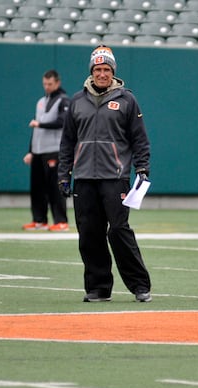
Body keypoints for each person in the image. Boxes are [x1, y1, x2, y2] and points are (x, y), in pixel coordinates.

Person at [58, 45, 152, 303]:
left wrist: (142, 169)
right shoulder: (77, 101)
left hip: (116, 176)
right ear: (92, 71)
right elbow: (67, 141)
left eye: (106, 69)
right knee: (89, 232)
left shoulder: (127, 100)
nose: (102, 74)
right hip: (85, 177)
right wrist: (64, 174)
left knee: (119, 230)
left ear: (113, 72)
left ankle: (140, 286)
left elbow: (139, 139)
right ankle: (99, 288)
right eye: (98, 69)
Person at [22, 69, 71, 232]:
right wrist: (31, 150)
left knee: (54, 187)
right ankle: (39, 220)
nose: (47, 87)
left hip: (54, 150)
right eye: (45, 84)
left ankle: (61, 221)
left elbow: (62, 122)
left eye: (50, 84)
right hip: (38, 151)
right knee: (37, 187)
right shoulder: (41, 101)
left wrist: (40, 125)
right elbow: (36, 128)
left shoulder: (64, 101)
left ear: (57, 83)